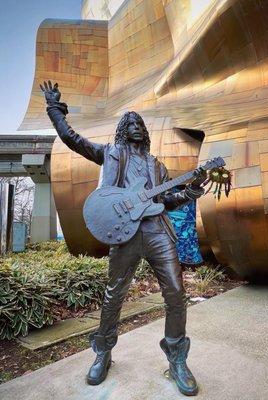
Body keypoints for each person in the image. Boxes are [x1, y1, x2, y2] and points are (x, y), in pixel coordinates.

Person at [40, 80, 208, 396]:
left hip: (158, 231)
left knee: (175, 292)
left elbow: (167, 200)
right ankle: (103, 353)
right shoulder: (111, 153)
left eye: (138, 123)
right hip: (125, 232)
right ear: (122, 130)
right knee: (114, 294)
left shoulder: (158, 166)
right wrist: (54, 108)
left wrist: (193, 189)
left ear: (145, 131)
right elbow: (72, 139)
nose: (134, 126)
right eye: (128, 123)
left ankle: (176, 358)